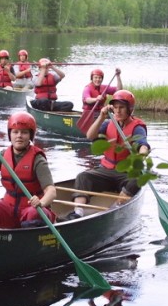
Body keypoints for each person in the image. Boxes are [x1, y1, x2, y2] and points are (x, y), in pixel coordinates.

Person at [62, 89, 149, 221]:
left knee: (138, 179)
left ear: (129, 109)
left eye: (122, 108)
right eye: (115, 107)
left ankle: (116, 207)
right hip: (106, 170)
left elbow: (143, 144)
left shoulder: (137, 127)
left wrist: (142, 156)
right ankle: (78, 212)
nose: (118, 111)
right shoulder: (108, 123)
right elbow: (90, 136)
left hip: (125, 173)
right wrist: (101, 116)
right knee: (83, 176)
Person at [0, 111, 58, 229]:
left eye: (24, 132)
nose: (19, 136)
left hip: (31, 210)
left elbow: (51, 191)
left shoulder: (38, 159)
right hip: (9, 207)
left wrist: (41, 203)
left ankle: (25, 242)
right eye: (15, 132)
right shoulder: (4, 155)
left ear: (30, 136)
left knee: (34, 214)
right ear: (10, 135)